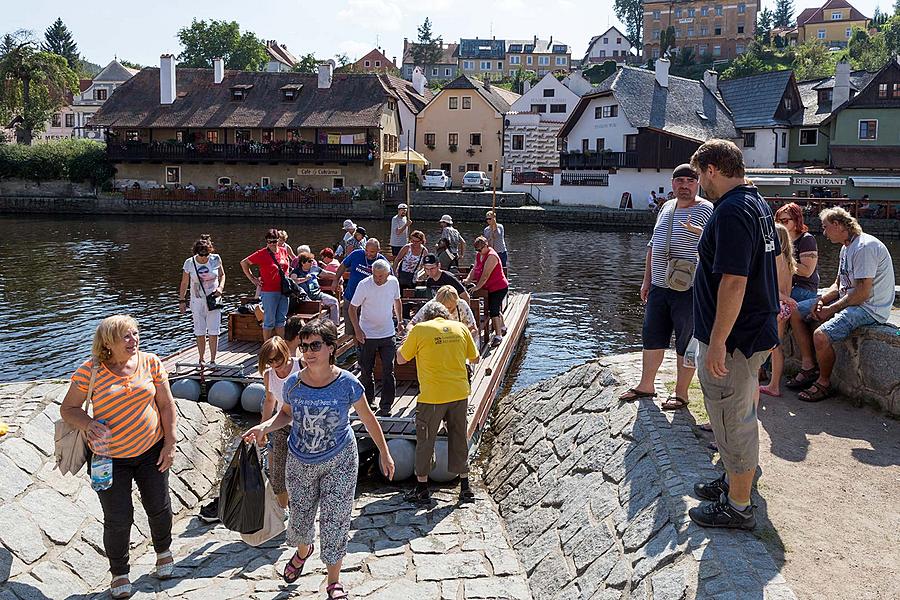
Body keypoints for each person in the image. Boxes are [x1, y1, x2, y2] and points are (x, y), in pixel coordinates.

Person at [242, 319, 394, 600]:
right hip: (301, 461)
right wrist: (265, 426)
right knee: (300, 522)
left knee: (335, 520)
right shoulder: (293, 383)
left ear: (331, 348)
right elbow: (285, 413)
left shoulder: (348, 384)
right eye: (304, 346)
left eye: (315, 345)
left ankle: (333, 581)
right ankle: (303, 551)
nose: (309, 352)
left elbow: (367, 417)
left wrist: (384, 452)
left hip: (340, 459)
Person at [687, 139, 780, 530]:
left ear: (711, 170)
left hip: (736, 339)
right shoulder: (757, 204)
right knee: (740, 411)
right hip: (755, 330)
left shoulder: (731, 210)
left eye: (699, 175)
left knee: (730, 416)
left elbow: (734, 281)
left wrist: (719, 341)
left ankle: (739, 505)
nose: (700, 185)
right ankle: (733, 479)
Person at [60, 315, 178, 599]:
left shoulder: (151, 362)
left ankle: (163, 553)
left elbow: (166, 404)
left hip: (151, 450)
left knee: (159, 506)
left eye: (135, 334)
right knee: (117, 517)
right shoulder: (90, 372)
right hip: (108, 458)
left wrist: (170, 443)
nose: (133, 340)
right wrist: (88, 424)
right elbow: (68, 409)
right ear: (108, 343)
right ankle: (119, 573)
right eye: (126, 336)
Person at [619, 164, 714, 410]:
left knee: (685, 340)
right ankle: (646, 385)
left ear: (698, 184)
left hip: (689, 287)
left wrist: (698, 232)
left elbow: (716, 244)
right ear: (672, 183)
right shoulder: (666, 207)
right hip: (660, 285)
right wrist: (646, 280)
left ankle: (681, 394)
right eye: (680, 181)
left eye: (690, 181)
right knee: (652, 336)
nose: (684, 186)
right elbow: (652, 245)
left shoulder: (706, 209)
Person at [787, 208, 895, 402]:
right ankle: (808, 366)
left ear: (838, 225)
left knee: (821, 336)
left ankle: (824, 383)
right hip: (851, 301)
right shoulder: (847, 247)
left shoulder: (865, 247)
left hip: (869, 308)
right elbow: (838, 285)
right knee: (796, 310)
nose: (824, 233)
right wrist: (821, 301)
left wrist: (831, 309)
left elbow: (862, 292)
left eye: (826, 227)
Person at [398, 302, 479, 505]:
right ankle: (465, 488)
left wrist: (407, 342)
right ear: (446, 315)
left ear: (427, 317)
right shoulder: (460, 327)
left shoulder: (420, 330)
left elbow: (400, 359)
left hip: (432, 396)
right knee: (459, 437)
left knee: (426, 439)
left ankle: (422, 489)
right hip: (459, 393)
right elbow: (475, 358)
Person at [349, 259, 403, 414]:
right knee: (366, 370)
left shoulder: (393, 282)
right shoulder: (364, 285)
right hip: (368, 334)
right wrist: (357, 330)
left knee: (388, 370)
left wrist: (399, 321)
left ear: (388, 274)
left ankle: (386, 405)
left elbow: (397, 301)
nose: (378, 279)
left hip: (387, 333)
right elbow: (352, 309)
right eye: (375, 275)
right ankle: (369, 401)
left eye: (381, 276)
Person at [258, 336, 301, 509]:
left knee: (302, 470)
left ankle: (301, 508)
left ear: (285, 352)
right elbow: (270, 401)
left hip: (304, 426)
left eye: (278, 359)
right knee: (278, 474)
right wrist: (263, 429)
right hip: (282, 424)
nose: (275, 364)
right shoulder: (269, 376)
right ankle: (285, 512)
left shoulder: (301, 366)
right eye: (270, 361)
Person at [759, 224, 797, 398]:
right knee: (776, 346)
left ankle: (770, 384)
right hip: (785, 308)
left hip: (776, 305)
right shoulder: (790, 260)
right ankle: (773, 383)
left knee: (764, 346)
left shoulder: (775, 258)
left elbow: (772, 288)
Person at [178, 234, 225, 366]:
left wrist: (220, 287)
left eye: (206, 255)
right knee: (199, 331)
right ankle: (201, 358)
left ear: (210, 252)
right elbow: (184, 283)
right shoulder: (189, 263)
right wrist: (182, 300)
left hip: (214, 299)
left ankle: (213, 359)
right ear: (196, 252)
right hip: (197, 301)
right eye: (201, 255)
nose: (204, 258)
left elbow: (222, 275)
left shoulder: (216, 259)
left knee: (214, 331)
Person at [332, 239, 388, 343]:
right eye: (366, 250)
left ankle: (365, 349)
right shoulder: (356, 254)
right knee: (352, 330)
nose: (368, 254)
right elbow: (343, 265)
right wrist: (336, 280)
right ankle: (357, 348)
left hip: (369, 302)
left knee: (366, 328)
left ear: (378, 250)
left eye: (372, 252)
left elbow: (390, 279)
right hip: (351, 297)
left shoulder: (382, 262)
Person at [242, 229, 291, 340]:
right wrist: (253, 279)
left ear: (279, 240)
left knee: (281, 320)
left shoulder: (283, 251)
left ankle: (280, 346)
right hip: (269, 291)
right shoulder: (262, 253)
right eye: (270, 242)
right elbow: (244, 263)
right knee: (269, 321)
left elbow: (286, 267)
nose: (272, 244)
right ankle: (267, 347)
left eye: (274, 241)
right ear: (266, 242)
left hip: (284, 290)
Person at [464, 236, 509, 347]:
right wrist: (468, 279)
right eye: (477, 250)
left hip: (499, 287)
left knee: (493, 310)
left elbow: (485, 275)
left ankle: (498, 336)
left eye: (480, 249)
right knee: (494, 307)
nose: (479, 252)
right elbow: (474, 269)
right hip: (489, 287)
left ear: (486, 246)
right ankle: (502, 327)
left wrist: (477, 287)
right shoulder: (479, 255)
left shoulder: (492, 256)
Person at [774, 203, 820, 303]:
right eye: (778, 221)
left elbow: (807, 271)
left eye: (785, 220)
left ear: (796, 220)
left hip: (803, 288)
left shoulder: (806, 239)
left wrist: (783, 259)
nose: (780, 224)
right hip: (786, 286)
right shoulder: (779, 240)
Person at [408, 284, 479, 336]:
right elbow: (412, 324)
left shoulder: (462, 305)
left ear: (456, 302)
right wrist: (410, 335)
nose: (447, 311)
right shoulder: (431, 305)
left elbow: (473, 329)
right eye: (443, 308)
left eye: (450, 308)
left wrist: (464, 339)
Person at [291, 251, 340, 325]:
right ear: (303, 263)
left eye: (312, 261)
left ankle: (334, 325)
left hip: (318, 294)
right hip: (305, 298)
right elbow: (292, 281)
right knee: (315, 308)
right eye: (309, 261)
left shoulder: (315, 269)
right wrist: (304, 279)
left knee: (334, 302)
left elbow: (326, 273)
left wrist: (338, 276)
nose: (312, 263)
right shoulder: (296, 272)